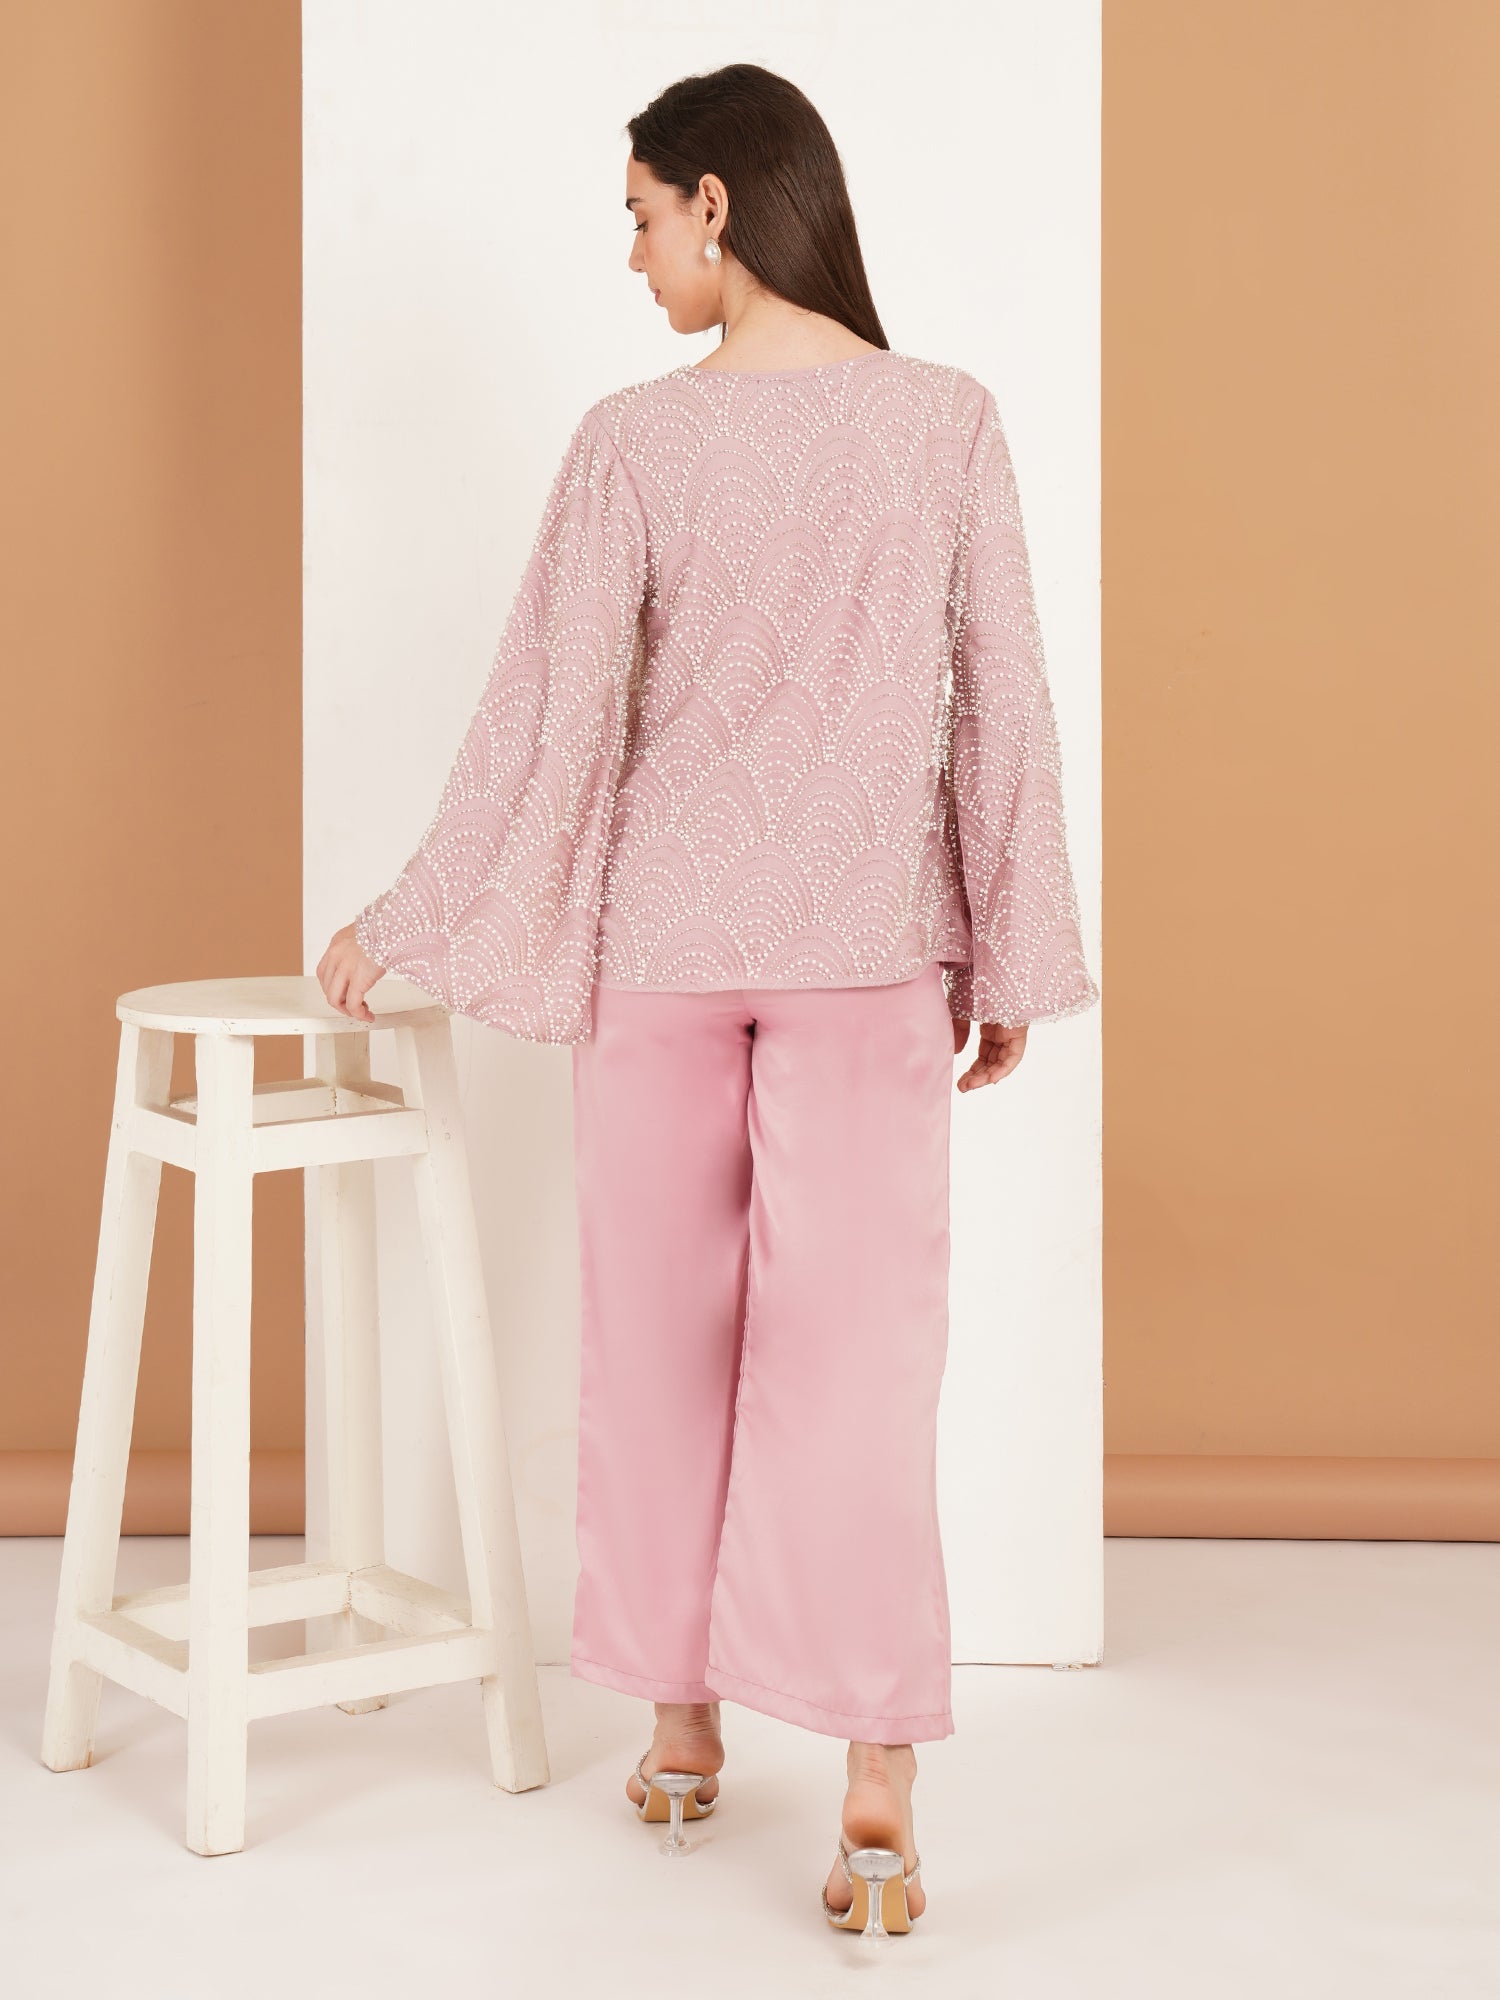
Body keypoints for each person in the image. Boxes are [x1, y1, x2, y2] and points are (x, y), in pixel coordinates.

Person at [317, 61, 1099, 1939]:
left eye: (642, 217)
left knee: (661, 1342)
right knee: (859, 1367)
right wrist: (1009, 951)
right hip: (863, 956)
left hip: (665, 954)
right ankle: (877, 1780)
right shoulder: (947, 420)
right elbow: (1002, 704)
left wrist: (410, 914)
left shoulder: (636, 443)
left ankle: (683, 1729)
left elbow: (547, 724)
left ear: (720, 206)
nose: (634, 257)